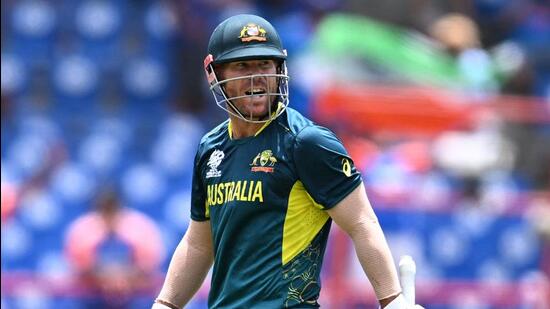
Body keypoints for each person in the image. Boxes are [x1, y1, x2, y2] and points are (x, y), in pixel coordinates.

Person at [153, 14, 423, 309]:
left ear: (279, 68)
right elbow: (199, 243)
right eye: (242, 65)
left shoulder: (307, 142)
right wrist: (166, 304)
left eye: (264, 64)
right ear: (214, 74)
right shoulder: (211, 147)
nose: (255, 76)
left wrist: (392, 300)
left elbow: (361, 222)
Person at [65, 188, 165, 308]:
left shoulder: (140, 226)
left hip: (135, 294)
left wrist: (123, 276)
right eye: (104, 208)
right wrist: (106, 276)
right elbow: (78, 267)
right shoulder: (83, 228)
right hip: (92, 294)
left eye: (112, 208)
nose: (109, 213)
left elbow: (149, 267)